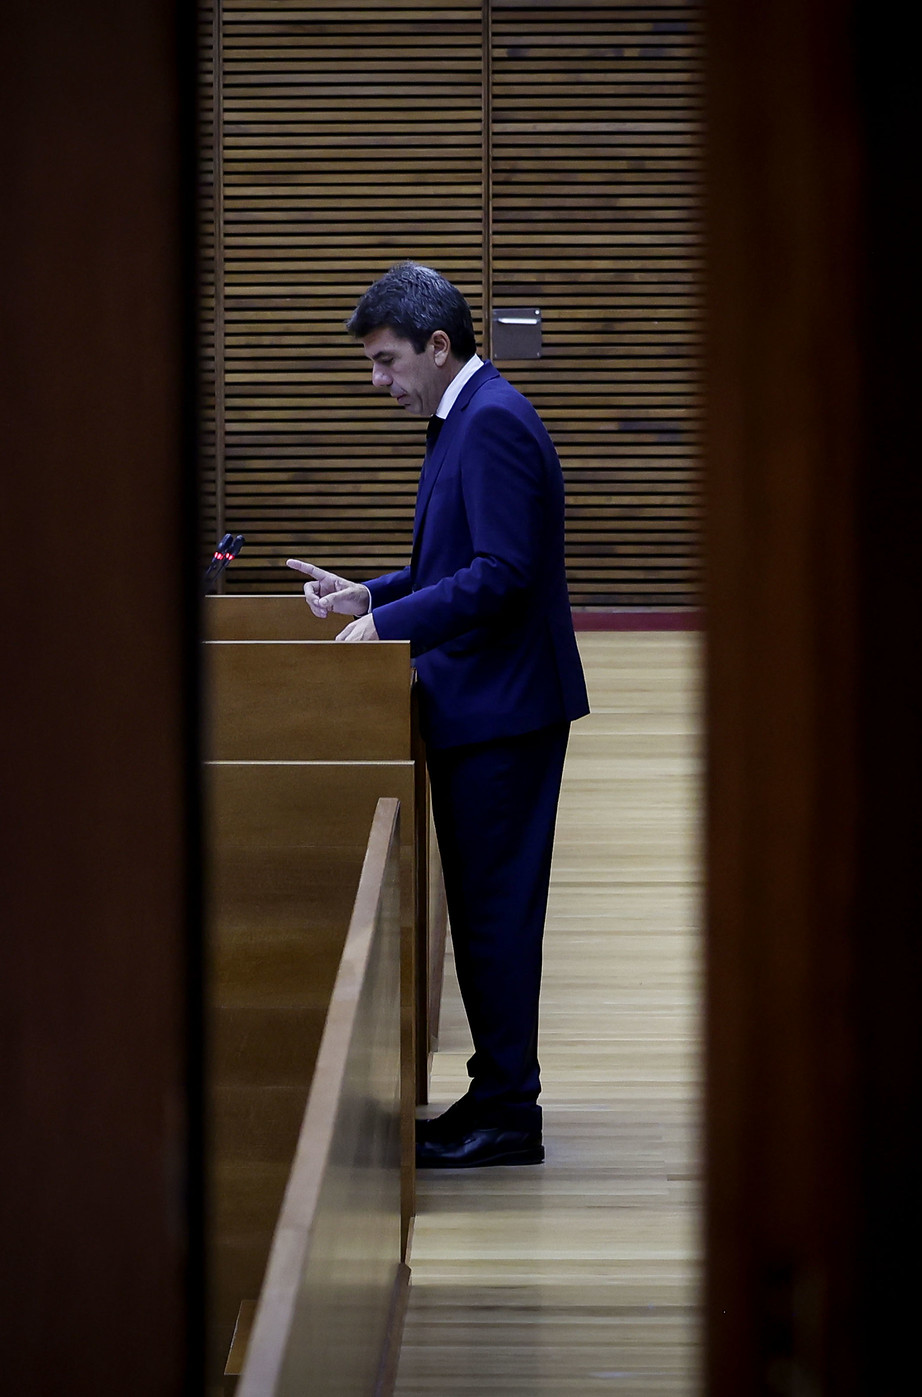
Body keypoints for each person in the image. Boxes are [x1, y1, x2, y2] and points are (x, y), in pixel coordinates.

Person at [286, 261, 589, 1169]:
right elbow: (453, 562)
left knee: (495, 916)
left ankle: (506, 1113)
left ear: (438, 344)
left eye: (385, 363)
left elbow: (502, 576)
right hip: (487, 706)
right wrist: (365, 594)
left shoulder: (491, 423)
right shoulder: (468, 415)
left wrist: (390, 624)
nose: (378, 383)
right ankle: (495, 1098)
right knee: (486, 910)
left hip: (503, 712)